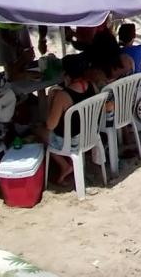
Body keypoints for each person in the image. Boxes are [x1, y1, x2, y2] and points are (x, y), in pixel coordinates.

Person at [33, 54, 96, 186]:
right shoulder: (92, 86)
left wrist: (51, 101)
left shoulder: (63, 96)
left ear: (66, 73)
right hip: (90, 135)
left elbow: (50, 125)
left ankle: (64, 165)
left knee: (38, 131)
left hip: (71, 141)